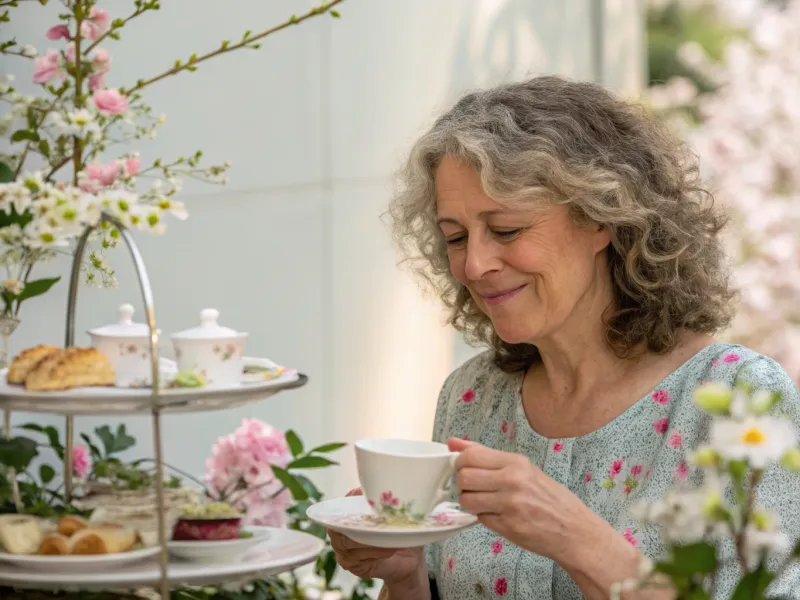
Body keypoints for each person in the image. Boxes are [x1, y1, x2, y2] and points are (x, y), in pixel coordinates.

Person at [328, 76, 800, 599]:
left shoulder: (739, 400)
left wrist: (576, 537)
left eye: (506, 229)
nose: (476, 264)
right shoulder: (471, 398)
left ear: (601, 217)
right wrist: (404, 575)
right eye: (456, 238)